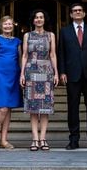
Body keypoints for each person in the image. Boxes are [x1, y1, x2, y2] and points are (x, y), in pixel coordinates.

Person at [58, 3, 87, 150]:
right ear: (71, 14)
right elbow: (61, 54)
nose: (77, 13)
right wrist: (62, 72)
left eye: (80, 11)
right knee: (73, 109)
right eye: (74, 11)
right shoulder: (64, 31)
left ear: (84, 13)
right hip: (72, 75)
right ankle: (74, 140)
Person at [20, 9, 59, 151]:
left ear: (44, 19)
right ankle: (35, 139)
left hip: (46, 71)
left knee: (45, 107)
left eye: (41, 17)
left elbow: (53, 54)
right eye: (36, 17)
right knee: (33, 108)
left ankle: (43, 139)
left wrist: (56, 73)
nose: (38, 19)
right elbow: (24, 55)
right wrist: (22, 74)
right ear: (33, 20)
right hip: (31, 71)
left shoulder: (51, 35)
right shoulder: (27, 35)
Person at [0, 16, 23, 150]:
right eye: (5, 24)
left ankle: (4, 140)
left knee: (9, 108)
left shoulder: (17, 41)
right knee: (2, 108)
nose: (8, 26)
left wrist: (22, 75)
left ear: (13, 26)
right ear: (1, 26)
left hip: (14, 75)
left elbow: (20, 60)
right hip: (0, 75)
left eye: (10, 24)